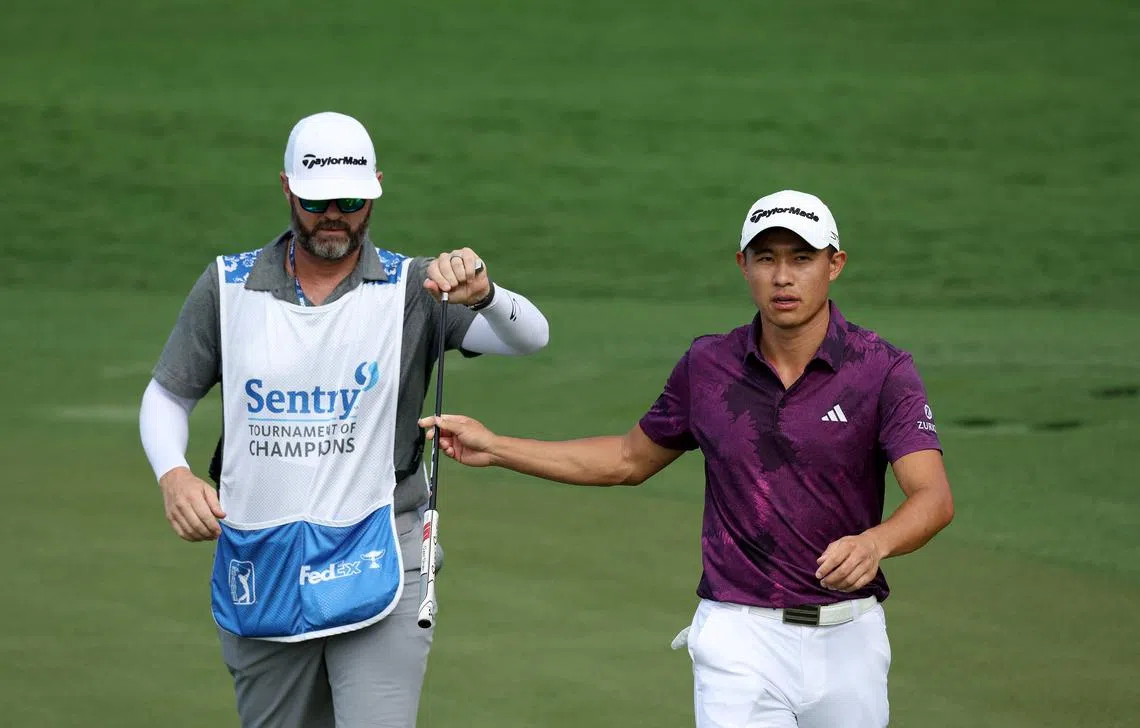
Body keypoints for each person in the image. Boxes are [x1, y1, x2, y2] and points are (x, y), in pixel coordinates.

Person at [419, 189, 954, 728]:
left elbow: (932, 497)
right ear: (743, 265)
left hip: (850, 640)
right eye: (766, 258)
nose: (783, 277)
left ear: (834, 265)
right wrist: (497, 447)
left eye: (802, 258)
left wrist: (875, 542)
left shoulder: (881, 369)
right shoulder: (709, 365)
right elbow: (629, 459)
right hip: (740, 637)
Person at [138, 111, 550, 728]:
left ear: (376, 189)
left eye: (352, 200)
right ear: (287, 190)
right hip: (262, 556)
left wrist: (486, 294)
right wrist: (173, 474)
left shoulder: (417, 288)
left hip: (383, 550)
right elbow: (167, 395)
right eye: (317, 200)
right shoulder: (227, 285)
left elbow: (531, 338)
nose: (334, 214)